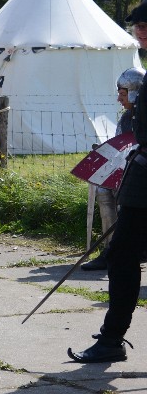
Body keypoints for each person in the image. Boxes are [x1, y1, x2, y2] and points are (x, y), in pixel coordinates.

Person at [69, 0, 147, 363]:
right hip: (141, 177)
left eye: (146, 26)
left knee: (123, 257)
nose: (140, 33)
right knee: (121, 257)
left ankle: (112, 339)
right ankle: (112, 339)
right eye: (138, 27)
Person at [81, 67, 143, 271]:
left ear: (135, 93)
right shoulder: (126, 119)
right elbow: (121, 147)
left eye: (123, 94)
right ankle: (110, 249)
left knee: (124, 194)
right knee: (104, 190)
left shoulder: (144, 117)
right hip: (129, 170)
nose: (119, 99)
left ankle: (133, 246)